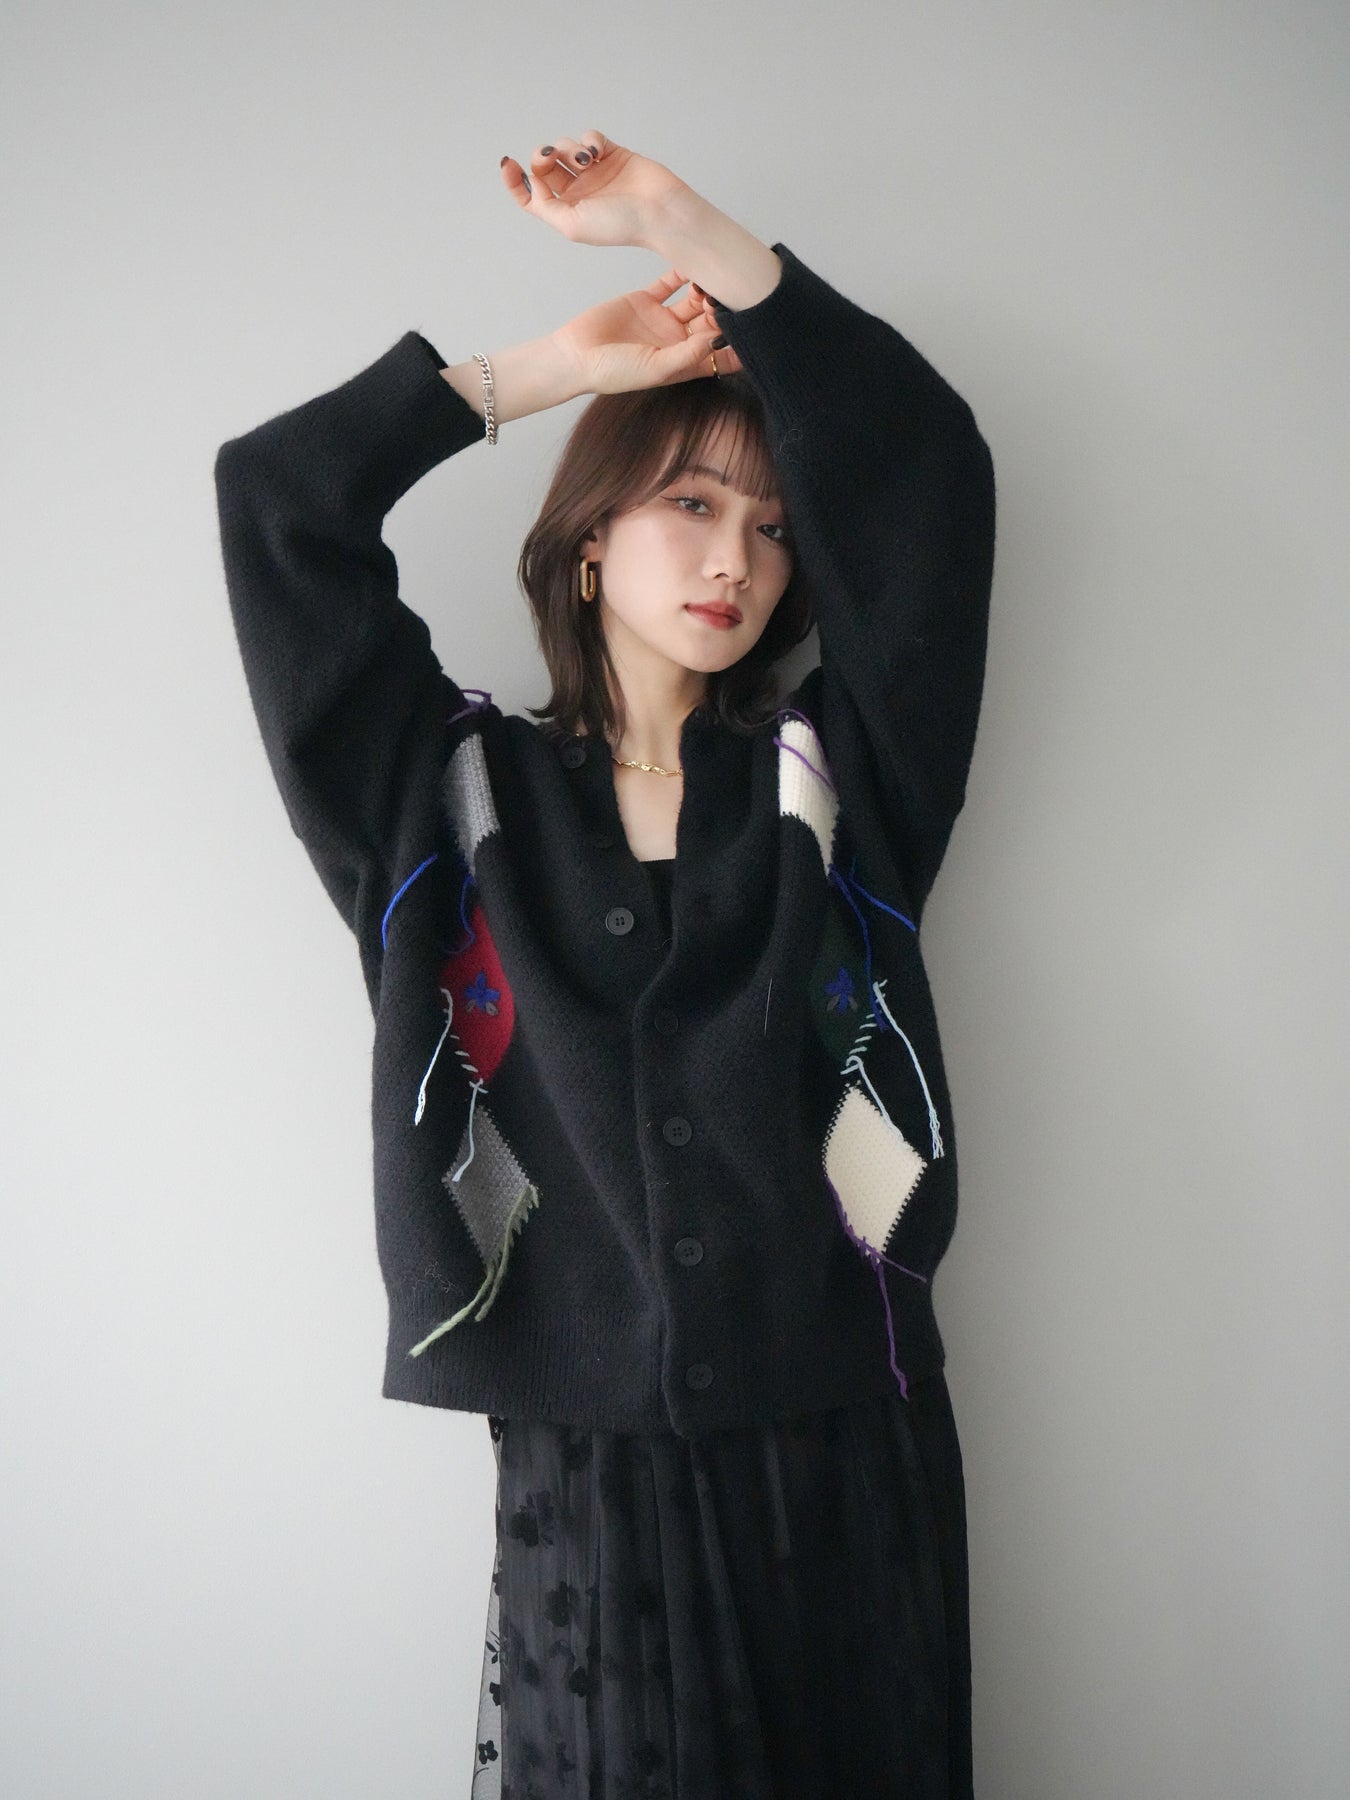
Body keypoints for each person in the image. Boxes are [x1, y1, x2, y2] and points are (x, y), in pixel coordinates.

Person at [214, 129, 996, 1799]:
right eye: (691, 504)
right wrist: (554, 368)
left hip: (843, 1439)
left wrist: (692, 232)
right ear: (588, 540)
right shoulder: (440, 804)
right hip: (588, 1473)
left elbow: (926, 476)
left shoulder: (839, 785)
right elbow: (277, 502)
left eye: (772, 529)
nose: (735, 560)